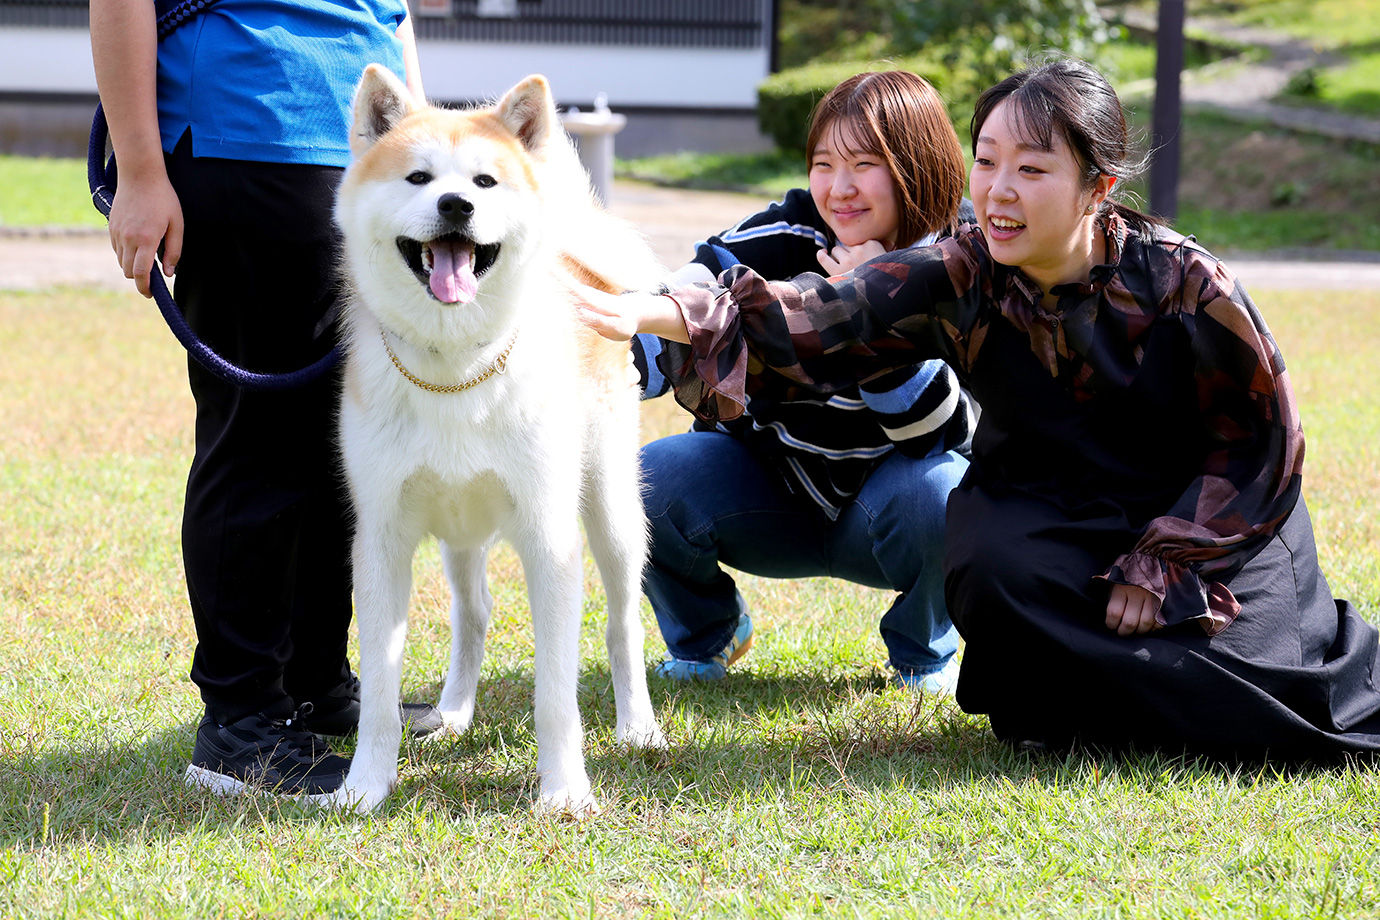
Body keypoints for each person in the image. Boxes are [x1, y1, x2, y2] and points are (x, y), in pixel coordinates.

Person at [583, 57, 1380, 761]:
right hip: (1057, 504)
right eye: (987, 161)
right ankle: (1086, 700)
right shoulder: (962, 272)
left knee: (1252, 699)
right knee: (992, 564)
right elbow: (819, 317)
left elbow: (1262, 439)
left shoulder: (1182, 281)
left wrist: (1166, 560)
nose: (998, 190)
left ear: (1098, 187)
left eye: (1032, 170)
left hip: (1204, 516)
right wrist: (647, 312)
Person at [90, 0, 438, 797]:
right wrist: (142, 172)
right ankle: (239, 724)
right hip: (246, 128)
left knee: (340, 440)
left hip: (363, 159)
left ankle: (314, 687)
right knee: (260, 438)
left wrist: (419, 141)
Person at [633, 71, 977, 692]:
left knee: (948, 491)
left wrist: (876, 305)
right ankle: (707, 635)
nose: (838, 189)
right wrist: (613, 349)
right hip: (773, 487)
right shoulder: (790, 231)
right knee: (648, 480)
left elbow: (940, 433)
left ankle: (923, 653)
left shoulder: (963, 258)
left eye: (864, 165)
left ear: (916, 167)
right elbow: (686, 296)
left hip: (892, 503)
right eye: (823, 162)